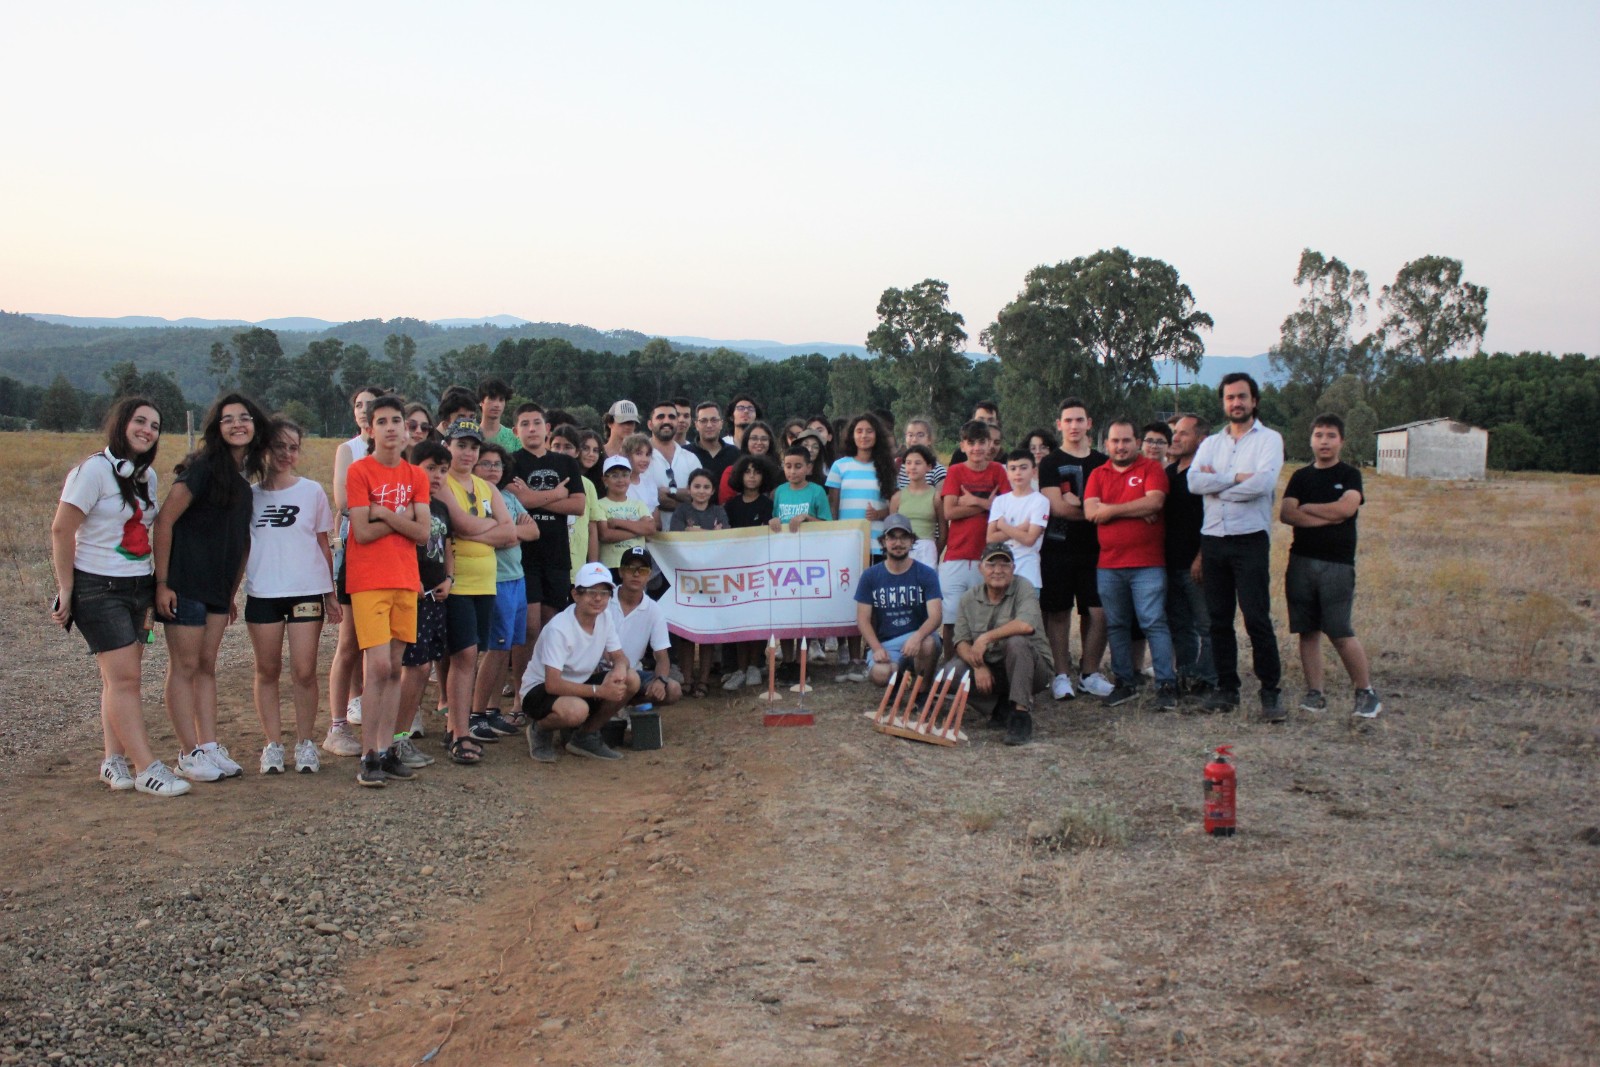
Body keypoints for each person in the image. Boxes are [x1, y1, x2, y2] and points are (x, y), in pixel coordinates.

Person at [50, 397, 189, 796]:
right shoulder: (92, 472)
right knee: (125, 678)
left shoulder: (146, 478)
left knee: (119, 680)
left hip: (138, 588)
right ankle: (146, 768)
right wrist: (67, 589)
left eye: (155, 425)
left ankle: (113, 760)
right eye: (140, 421)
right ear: (121, 424)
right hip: (98, 589)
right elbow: (62, 530)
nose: (147, 430)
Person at [154, 392, 270, 782]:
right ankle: (187, 753)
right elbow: (165, 521)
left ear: (255, 426)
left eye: (245, 417)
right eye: (228, 419)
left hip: (218, 592)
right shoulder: (202, 469)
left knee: (206, 667)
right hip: (184, 584)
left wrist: (233, 591)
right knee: (184, 666)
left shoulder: (241, 482)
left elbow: (240, 541)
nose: (238, 424)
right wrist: (163, 582)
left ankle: (208, 745)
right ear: (216, 428)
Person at [344, 396, 432, 786]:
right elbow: (360, 532)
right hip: (368, 580)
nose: (392, 427)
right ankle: (367, 755)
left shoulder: (416, 476)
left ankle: (386, 749)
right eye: (383, 421)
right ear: (371, 428)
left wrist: (384, 513)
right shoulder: (360, 471)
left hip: (404, 579)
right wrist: (403, 519)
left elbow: (424, 532)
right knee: (377, 667)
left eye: (398, 420)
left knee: (395, 668)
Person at [1188, 373, 1285, 719]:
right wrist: (1233, 478)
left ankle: (1270, 692)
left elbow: (1263, 484)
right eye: (1230, 398)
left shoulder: (1269, 440)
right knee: (1218, 620)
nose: (1236, 403)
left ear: (1254, 401)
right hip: (1214, 539)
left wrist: (1217, 486)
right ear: (1223, 403)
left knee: (1257, 618)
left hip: (1249, 541)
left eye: (1242, 397)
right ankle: (1227, 689)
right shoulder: (1211, 443)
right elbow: (1193, 481)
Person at [245, 418, 339, 775]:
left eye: (293, 447)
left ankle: (305, 743)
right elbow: (241, 546)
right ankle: (273, 744)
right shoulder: (250, 496)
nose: (286, 454)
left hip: (304, 591)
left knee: (304, 670)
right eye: (278, 446)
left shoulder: (311, 491)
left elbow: (322, 542)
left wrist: (330, 592)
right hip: (264, 592)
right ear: (264, 449)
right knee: (267, 669)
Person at [1279, 414, 1382, 720]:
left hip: (1337, 565)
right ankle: (1315, 693)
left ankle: (1366, 693)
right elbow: (1287, 514)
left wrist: (1309, 509)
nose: (1324, 441)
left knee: (1339, 631)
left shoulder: (1350, 475)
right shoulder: (1300, 477)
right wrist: (1329, 515)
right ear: (1311, 439)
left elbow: (1347, 508)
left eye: (1331, 435)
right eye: (1319, 435)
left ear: (1342, 441)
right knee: (1307, 631)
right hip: (1300, 562)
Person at [1084, 418, 1178, 711]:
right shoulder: (1098, 473)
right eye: (1115, 441)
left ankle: (1166, 685)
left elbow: (1154, 503)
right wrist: (1132, 510)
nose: (1120, 446)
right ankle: (1125, 683)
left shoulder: (1150, 468)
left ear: (1137, 442)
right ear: (1107, 444)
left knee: (1153, 622)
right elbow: (1090, 512)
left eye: (1126, 440)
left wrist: (1110, 510)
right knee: (1117, 624)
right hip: (1109, 564)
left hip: (1147, 564)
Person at [434, 419, 517, 748]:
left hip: (486, 582)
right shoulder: (443, 483)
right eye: (461, 445)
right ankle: (459, 731)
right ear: (448, 447)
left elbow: (510, 533)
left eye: (473, 447)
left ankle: (456, 727)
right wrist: (488, 528)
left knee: (472, 654)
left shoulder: (488, 488)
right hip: (457, 582)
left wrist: (477, 528)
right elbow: (460, 525)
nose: (468, 453)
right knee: (464, 655)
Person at [519, 562, 637, 763]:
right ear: (576, 595)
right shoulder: (560, 628)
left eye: (604, 592)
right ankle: (539, 729)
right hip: (539, 690)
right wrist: (601, 691)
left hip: (579, 683)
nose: (598, 598)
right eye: (591, 592)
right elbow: (552, 684)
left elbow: (619, 656)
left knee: (630, 678)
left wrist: (619, 668)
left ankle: (586, 735)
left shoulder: (605, 617)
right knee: (576, 711)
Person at [506, 403, 587, 695]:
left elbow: (578, 505)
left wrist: (531, 496)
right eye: (524, 424)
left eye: (536, 423)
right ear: (516, 431)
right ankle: (522, 695)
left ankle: (549, 690)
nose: (531, 429)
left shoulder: (566, 463)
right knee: (528, 629)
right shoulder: (511, 463)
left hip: (556, 555)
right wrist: (555, 493)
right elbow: (518, 504)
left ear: (547, 428)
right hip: (523, 556)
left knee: (552, 628)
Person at [1038, 398, 1113, 701]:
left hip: (1097, 548)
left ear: (1089, 423)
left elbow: (1111, 501)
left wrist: (1083, 506)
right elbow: (1056, 507)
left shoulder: (1102, 462)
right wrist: (1096, 510)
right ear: (1059, 424)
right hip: (1057, 548)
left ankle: (1089, 672)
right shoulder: (1050, 463)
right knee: (1058, 612)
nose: (1073, 426)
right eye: (1068, 420)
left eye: (1079, 420)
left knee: (1098, 612)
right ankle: (1060, 674)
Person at [948, 544, 1053, 746]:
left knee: (1017, 642)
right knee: (951, 672)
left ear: (1013, 568)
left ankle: (1021, 716)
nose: (998, 570)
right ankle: (999, 707)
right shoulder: (969, 598)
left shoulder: (1024, 587)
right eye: (991, 564)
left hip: (1032, 669)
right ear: (981, 568)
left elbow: (1026, 624)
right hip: (991, 668)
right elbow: (960, 641)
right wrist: (979, 666)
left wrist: (985, 638)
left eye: (1004, 564)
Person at [470, 442, 539, 741]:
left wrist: (509, 532)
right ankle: (475, 713)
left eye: (497, 464)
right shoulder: (474, 497)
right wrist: (510, 532)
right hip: (494, 580)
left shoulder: (508, 496)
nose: (492, 469)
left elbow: (532, 531)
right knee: (495, 649)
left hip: (517, 578)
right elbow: (486, 535)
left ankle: (492, 709)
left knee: (506, 649)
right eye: (485, 464)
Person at [325, 385, 380, 757]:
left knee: (379, 637)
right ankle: (338, 721)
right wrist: (392, 513)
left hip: (389, 551)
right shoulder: (349, 449)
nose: (364, 410)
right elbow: (344, 502)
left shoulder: (397, 452)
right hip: (356, 548)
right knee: (349, 638)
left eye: (371, 406)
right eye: (359, 405)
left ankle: (369, 704)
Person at [397, 442, 457, 763]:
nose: (437, 476)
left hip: (436, 597)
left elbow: (448, 547)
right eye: (430, 467)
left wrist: (449, 579)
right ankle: (395, 738)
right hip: (410, 595)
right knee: (413, 667)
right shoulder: (405, 503)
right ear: (413, 466)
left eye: (443, 470)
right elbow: (396, 545)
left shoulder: (441, 508)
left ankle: (399, 736)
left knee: (421, 669)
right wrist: (410, 579)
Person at [938, 419, 1010, 656]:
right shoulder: (956, 471)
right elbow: (949, 511)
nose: (977, 448)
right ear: (963, 446)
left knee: (984, 619)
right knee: (951, 618)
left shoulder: (998, 471)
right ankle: (949, 667)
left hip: (988, 557)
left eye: (982, 442)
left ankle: (982, 667)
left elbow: (1007, 510)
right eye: (972, 443)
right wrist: (989, 506)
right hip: (956, 555)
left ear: (991, 444)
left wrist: (976, 501)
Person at [1164, 413, 1217, 698]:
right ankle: (1186, 677)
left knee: (1207, 626)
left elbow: (1212, 519)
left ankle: (1208, 680)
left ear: (1201, 439)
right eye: (1176, 432)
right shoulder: (1169, 474)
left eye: (1184, 433)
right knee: (1180, 626)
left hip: (1196, 563)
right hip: (1169, 564)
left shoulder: (1205, 474)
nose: (1176, 437)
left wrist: (1202, 557)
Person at [854, 516, 943, 686]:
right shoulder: (870, 576)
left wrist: (917, 637)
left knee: (929, 643)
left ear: (912, 541)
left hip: (918, 636)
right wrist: (877, 648)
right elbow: (863, 619)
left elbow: (936, 616)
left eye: (903, 537)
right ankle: (900, 676)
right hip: (887, 643)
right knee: (881, 674)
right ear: (884, 541)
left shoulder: (926, 574)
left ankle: (921, 694)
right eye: (892, 537)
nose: (898, 543)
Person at [826, 413, 895, 550]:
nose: (864, 435)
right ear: (852, 435)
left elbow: (896, 506)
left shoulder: (887, 467)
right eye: (859, 431)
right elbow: (833, 506)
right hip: (846, 541)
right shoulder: (839, 466)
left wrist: (879, 514)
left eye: (869, 431)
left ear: (877, 435)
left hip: (877, 542)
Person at [986, 449, 1049, 590]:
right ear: (1007, 473)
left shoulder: (1040, 501)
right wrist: (1022, 528)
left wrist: (1004, 526)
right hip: (1001, 572)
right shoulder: (1000, 501)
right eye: (1013, 469)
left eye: (1023, 468)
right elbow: (990, 538)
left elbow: (1029, 540)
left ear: (1033, 471)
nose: (1018, 473)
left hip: (1028, 573)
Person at [550, 424, 600, 581]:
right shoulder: (539, 480)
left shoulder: (587, 485)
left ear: (577, 452)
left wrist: (593, 568)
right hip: (547, 563)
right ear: (548, 447)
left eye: (568, 447)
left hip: (577, 569)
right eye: (556, 446)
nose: (561, 451)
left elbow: (592, 530)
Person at [593, 456, 655, 568]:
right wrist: (639, 529)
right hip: (611, 565)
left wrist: (618, 523)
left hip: (638, 564)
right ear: (605, 480)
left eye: (625, 475)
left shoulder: (639, 504)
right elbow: (605, 535)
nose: (620, 480)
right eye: (614, 475)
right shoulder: (598, 504)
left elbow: (650, 528)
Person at [890, 444, 943, 569]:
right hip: (901, 548)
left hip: (927, 549)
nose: (912, 467)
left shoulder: (935, 497)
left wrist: (936, 550)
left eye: (918, 463)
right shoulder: (897, 497)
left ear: (929, 467)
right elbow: (891, 528)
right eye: (908, 463)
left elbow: (943, 530)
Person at [647, 401, 701, 512]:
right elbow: (642, 497)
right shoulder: (639, 458)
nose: (666, 421)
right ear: (650, 424)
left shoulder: (691, 459)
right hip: (652, 528)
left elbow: (700, 495)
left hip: (686, 528)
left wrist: (669, 491)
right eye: (660, 417)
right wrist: (684, 495)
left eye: (671, 417)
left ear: (677, 422)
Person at [719, 421, 776, 503]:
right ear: (746, 442)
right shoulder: (731, 472)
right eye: (754, 438)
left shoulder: (779, 471)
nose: (759, 442)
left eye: (764, 439)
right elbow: (725, 506)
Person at [688, 401, 740, 490]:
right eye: (703, 421)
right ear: (696, 425)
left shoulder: (735, 453)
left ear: (721, 424)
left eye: (714, 420)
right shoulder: (686, 453)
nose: (709, 425)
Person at [897, 419, 948, 488]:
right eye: (910, 435)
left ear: (929, 439)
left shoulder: (938, 471)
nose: (914, 439)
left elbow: (940, 496)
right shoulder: (897, 467)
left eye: (920, 435)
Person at [948, 400, 1001, 466]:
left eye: (990, 420)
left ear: (997, 423)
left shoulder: (1002, 457)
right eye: (981, 420)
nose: (985, 424)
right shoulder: (960, 455)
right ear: (972, 421)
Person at [477, 377, 520, 453]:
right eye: (492, 399)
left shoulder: (514, 438)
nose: (497, 405)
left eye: (501, 400)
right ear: (481, 401)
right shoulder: (471, 436)